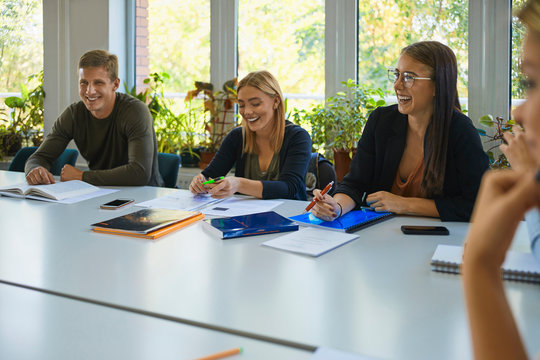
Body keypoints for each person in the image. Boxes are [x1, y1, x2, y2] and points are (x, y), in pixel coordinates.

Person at [311, 41, 489, 222]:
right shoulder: (380, 121)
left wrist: (403, 204)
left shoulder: (460, 131)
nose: (397, 85)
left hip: (439, 239)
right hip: (383, 236)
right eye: (397, 75)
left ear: (437, 85)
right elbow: (354, 184)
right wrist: (336, 207)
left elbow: (478, 204)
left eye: (409, 77)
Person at [463, 1, 540, 359]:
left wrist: (480, 268)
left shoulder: (458, 131)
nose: (519, 110)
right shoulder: (384, 125)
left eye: (533, 82)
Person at [25, 49, 164, 187]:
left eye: (98, 83)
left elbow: (139, 173)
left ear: (115, 84)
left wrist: (82, 176)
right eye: (83, 82)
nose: (89, 91)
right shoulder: (74, 115)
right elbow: (38, 158)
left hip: (146, 197)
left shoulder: (135, 111)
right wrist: (35, 170)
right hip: (99, 193)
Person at [189, 70, 311, 200]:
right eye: (241, 105)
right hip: (245, 217)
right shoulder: (237, 137)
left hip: (288, 217)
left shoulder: (298, 137)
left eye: (255, 104)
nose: (247, 111)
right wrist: (200, 182)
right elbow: (210, 176)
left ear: (276, 101)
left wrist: (239, 184)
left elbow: (290, 188)